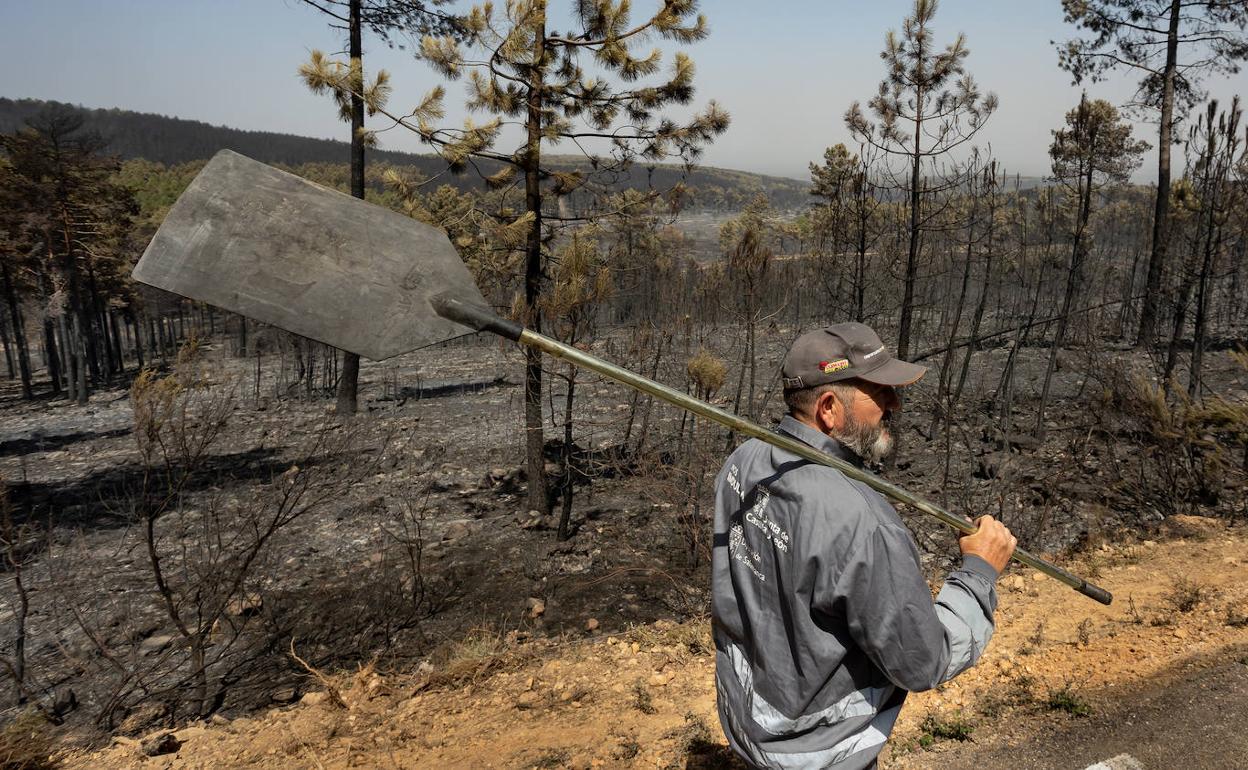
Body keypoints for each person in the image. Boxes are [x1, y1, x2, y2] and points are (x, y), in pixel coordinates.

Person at [711, 323, 1017, 770]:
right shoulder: (862, 520)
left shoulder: (744, 460)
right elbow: (922, 661)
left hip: (748, 720)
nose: (895, 403)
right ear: (830, 408)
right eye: (879, 392)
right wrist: (977, 573)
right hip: (817, 749)